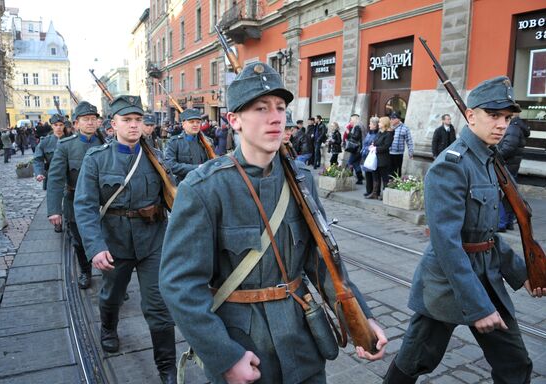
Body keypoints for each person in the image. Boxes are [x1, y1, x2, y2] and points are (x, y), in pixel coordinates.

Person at [159, 61, 387, 384]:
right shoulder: (204, 189)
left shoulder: (302, 179)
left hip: (301, 338)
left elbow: (322, 262)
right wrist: (225, 356)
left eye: (280, 107)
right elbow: (179, 286)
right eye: (261, 108)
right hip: (245, 348)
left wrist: (362, 319)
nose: (276, 116)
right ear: (234, 120)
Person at [383, 76, 546, 384]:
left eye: (507, 118)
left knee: (516, 364)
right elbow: (447, 244)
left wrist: (523, 273)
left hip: (486, 275)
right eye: (493, 115)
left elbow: (486, 236)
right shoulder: (452, 165)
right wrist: (476, 306)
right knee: (414, 361)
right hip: (447, 281)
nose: (502, 125)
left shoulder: (489, 160)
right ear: (471, 115)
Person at [73, 96, 176, 384]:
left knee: (158, 304)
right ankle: (108, 327)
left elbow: (171, 197)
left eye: (138, 120)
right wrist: (95, 247)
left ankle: (167, 369)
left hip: (153, 240)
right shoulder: (96, 159)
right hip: (114, 242)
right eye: (127, 120)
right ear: (113, 124)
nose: (133, 125)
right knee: (112, 295)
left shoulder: (156, 156)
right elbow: (84, 206)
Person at [46, 101, 104, 289]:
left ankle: (111, 279)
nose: (90, 123)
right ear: (76, 124)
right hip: (74, 203)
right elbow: (55, 179)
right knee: (80, 242)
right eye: (85, 120)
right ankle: (86, 271)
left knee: (108, 241)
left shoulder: (107, 145)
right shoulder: (65, 146)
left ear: (98, 122)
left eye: (93, 119)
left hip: (104, 204)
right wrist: (55, 210)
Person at [496, 114, 530, 232]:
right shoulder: (517, 126)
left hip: (507, 166)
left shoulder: (513, 127)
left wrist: (495, 155)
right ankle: (508, 222)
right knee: (510, 196)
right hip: (511, 166)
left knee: (500, 196)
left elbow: (508, 148)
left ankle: (501, 223)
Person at [164, 109, 211, 183]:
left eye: (198, 122)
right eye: (191, 122)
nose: (195, 125)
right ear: (183, 124)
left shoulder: (208, 142)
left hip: (204, 185)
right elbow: (170, 165)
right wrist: (196, 168)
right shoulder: (174, 142)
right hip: (184, 184)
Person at [34, 114, 66, 194]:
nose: (58, 127)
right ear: (52, 126)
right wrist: (39, 173)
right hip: (52, 177)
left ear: (64, 126)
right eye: (56, 125)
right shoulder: (45, 142)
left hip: (68, 179)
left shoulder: (70, 140)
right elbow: (38, 159)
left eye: (61, 125)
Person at [369, 116, 394, 200]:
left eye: (380, 122)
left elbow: (386, 146)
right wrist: (373, 145)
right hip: (375, 158)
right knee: (375, 175)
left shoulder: (389, 133)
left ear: (384, 124)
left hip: (383, 159)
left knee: (384, 177)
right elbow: (376, 142)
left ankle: (385, 195)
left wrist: (376, 148)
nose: (378, 124)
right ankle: (375, 193)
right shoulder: (380, 132)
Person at [388, 111, 413, 178]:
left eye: (393, 118)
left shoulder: (405, 128)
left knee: (397, 171)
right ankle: (388, 185)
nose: (391, 120)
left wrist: (410, 152)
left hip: (398, 153)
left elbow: (409, 141)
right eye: (391, 118)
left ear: (398, 119)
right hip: (388, 152)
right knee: (388, 171)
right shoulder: (389, 127)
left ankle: (395, 185)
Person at [362, 116, 380, 198]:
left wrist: (367, 149)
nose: (369, 125)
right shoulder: (369, 133)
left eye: (371, 124)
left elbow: (373, 145)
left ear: (375, 125)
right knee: (367, 173)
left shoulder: (377, 134)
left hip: (372, 155)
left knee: (373, 174)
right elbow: (365, 142)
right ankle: (368, 190)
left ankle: (374, 191)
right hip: (365, 154)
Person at [346, 118, 364, 184]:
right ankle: (360, 179)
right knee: (356, 164)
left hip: (356, 149)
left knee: (349, 163)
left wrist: (349, 133)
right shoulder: (357, 127)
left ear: (354, 121)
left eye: (350, 121)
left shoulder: (356, 127)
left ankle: (348, 179)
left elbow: (356, 137)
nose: (349, 122)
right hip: (358, 149)